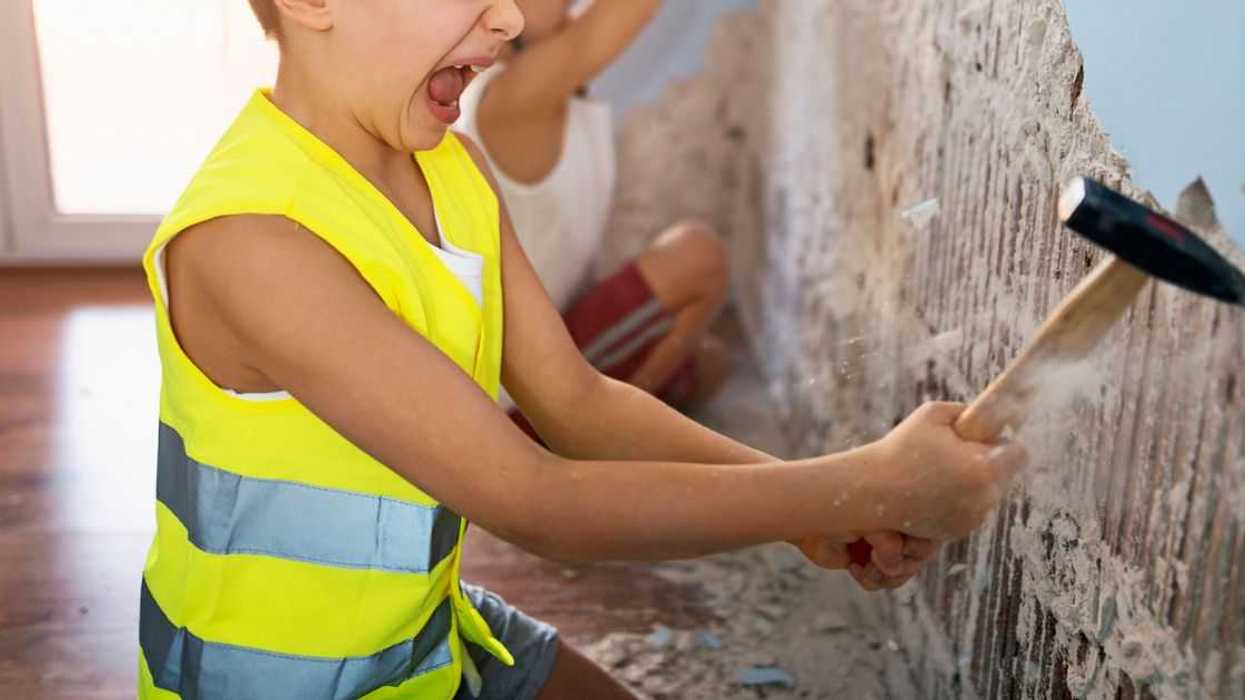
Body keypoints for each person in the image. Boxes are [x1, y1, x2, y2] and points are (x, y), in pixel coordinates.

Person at [136, 1, 1026, 698]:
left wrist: (813, 513)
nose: (512, 18)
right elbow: (536, 503)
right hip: (280, 678)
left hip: (422, 629)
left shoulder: (455, 169)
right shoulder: (250, 242)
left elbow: (576, 405)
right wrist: (864, 484)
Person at [458, 0, 733, 424]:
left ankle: (602, 424)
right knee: (698, 257)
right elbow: (625, 14)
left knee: (711, 362)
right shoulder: (509, 99)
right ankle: (597, 434)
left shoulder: (543, 87)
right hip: (518, 395)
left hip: (552, 341)